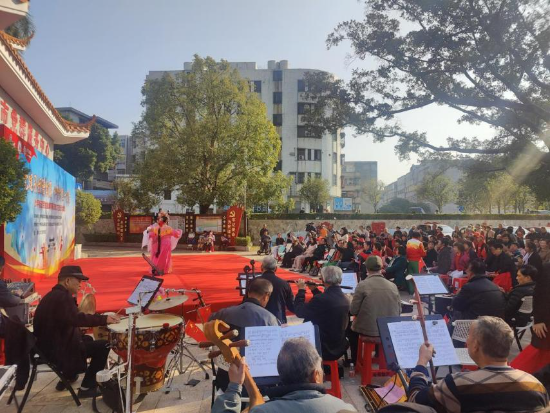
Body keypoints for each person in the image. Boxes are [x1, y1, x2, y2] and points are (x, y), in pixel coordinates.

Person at [408, 316, 548, 412]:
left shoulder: (456, 384)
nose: (466, 341)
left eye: (469, 336)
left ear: (475, 346)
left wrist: (422, 362)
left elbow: (415, 400)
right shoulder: (535, 386)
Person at [33, 266, 120, 397]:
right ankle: (87, 388)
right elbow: (77, 319)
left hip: (47, 348)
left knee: (88, 339)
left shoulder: (53, 296)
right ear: (67, 281)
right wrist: (104, 319)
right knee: (104, 346)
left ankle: (68, 376)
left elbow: (66, 320)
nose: (80, 284)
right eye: (78, 281)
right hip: (57, 352)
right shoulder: (62, 298)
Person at [211, 337, 356, 413]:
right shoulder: (346, 409)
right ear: (316, 375)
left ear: (281, 374)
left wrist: (234, 387)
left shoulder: (262, 411)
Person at [209, 278, 279, 391]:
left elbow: (209, 324)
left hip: (226, 376)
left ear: (248, 293)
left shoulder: (224, 313)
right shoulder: (270, 319)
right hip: (257, 382)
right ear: (266, 296)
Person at [350, 256, 401, 363]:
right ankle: (379, 355)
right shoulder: (393, 286)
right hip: (388, 329)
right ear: (381, 268)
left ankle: (355, 361)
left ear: (367, 269)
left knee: (351, 330)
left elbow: (353, 311)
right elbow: (399, 310)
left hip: (368, 330)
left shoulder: (362, 285)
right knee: (379, 319)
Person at [294, 266, 350, 361]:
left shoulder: (321, 299)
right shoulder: (345, 298)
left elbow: (300, 311)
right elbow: (327, 303)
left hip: (324, 347)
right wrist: (314, 290)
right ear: (340, 280)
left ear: (323, 280)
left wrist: (301, 291)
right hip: (338, 343)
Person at [511, 263, 550, 374]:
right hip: (545, 321)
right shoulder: (547, 268)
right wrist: (539, 320)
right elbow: (540, 294)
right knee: (540, 353)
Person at [256, 256, 295, 324]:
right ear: (276, 268)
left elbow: (247, 302)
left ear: (261, 267)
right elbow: (291, 305)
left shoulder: (254, 282)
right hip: (278, 320)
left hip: (257, 319)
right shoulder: (284, 284)